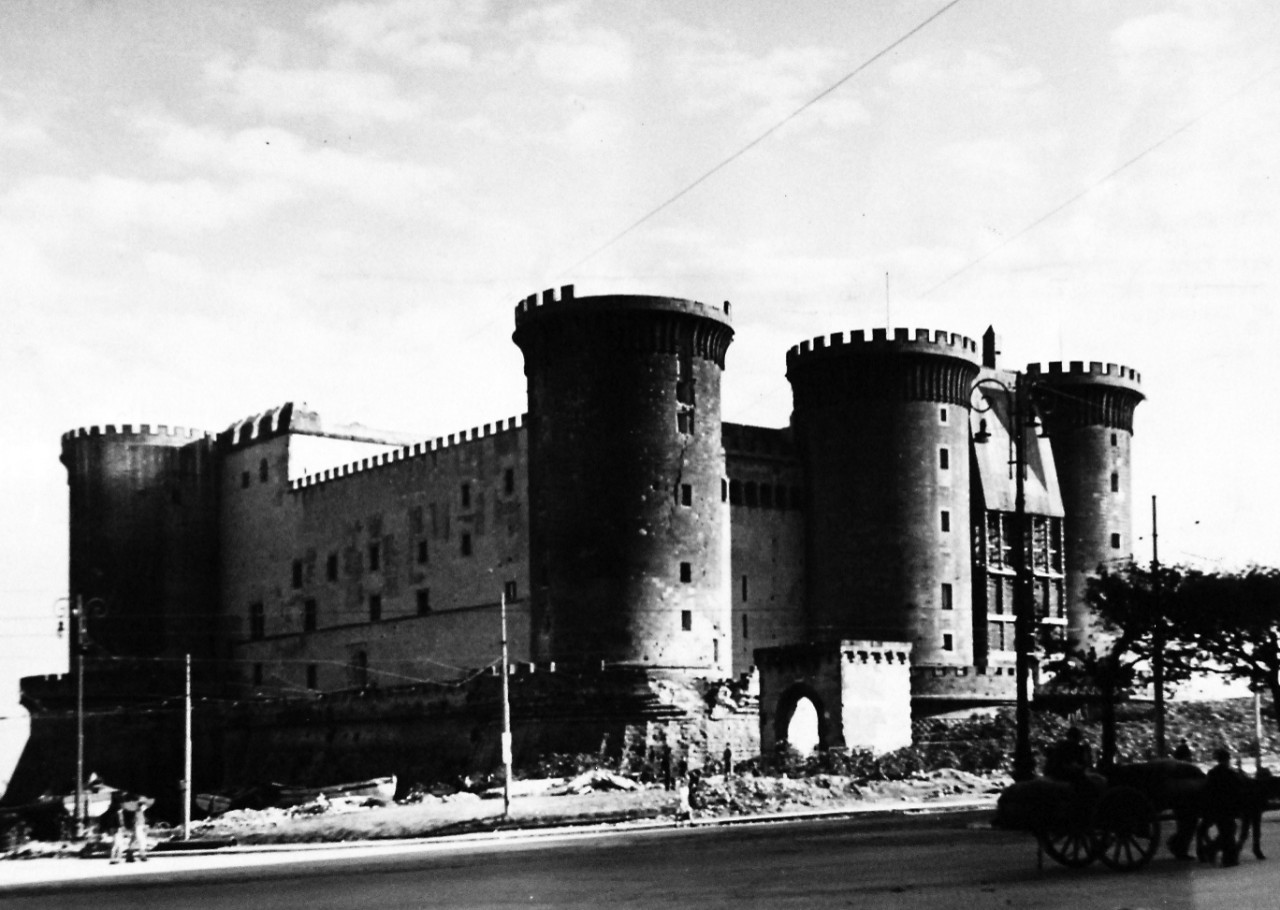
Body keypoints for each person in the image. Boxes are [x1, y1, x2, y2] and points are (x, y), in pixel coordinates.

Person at [1204, 748, 1245, 867]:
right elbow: (1239, 786)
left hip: (1217, 806)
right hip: (1228, 806)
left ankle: (1213, 850)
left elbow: (1209, 789)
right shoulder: (1230, 773)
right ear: (1227, 759)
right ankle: (1227, 858)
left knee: (1226, 830)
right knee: (1229, 831)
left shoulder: (1213, 772)